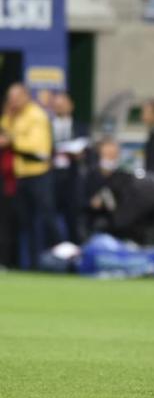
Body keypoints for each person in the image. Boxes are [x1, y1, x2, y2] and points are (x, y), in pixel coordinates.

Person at [0, 83, 55, 270]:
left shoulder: (36, 116)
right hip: (21, 176)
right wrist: (9, 116)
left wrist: (12, 141)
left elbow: (38, 148)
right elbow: (3, 132)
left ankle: (59, 261)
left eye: (16, 98)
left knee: (46, 219)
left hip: (38, 175)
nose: (13, 101)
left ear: (26, 96)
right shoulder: (13, 116)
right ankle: (32, 265)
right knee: (26, 223)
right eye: (10, 98)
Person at [51, 92, 89, 244]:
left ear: (71, 106)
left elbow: (87, 150)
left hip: (72, 178)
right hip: (52, 178)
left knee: (73, 217)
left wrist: (80, 153)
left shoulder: (80, 127)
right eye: (57, 105)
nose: (60, 107)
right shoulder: (47, 127)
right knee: (50, 217)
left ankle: (75, 254)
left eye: (63, 104)